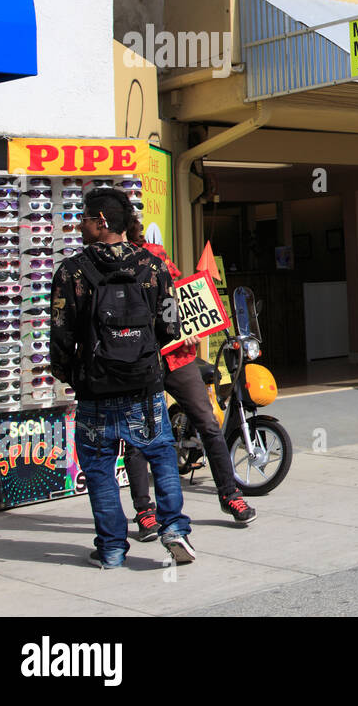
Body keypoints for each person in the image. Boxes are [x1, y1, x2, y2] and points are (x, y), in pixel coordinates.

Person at [49, 187, 195, 568]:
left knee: (99, 469)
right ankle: (175, 530)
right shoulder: (154, 266)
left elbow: (60, 336)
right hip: (143, 385)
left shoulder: (71, 271)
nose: (79, 224)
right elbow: (169, 326)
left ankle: (112, 548)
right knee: (160, 453)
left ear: (101, 222)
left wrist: (71, 374)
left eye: (84, 218)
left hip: (95, 388)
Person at [121, 220, 256, 541]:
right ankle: (144, 511)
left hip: (179, 357)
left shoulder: (157, 259)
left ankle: (229, 494)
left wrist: (187, 328)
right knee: (140, 436)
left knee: (208, 423)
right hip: (142, 361)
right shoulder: (110, 268)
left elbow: (180, 298)